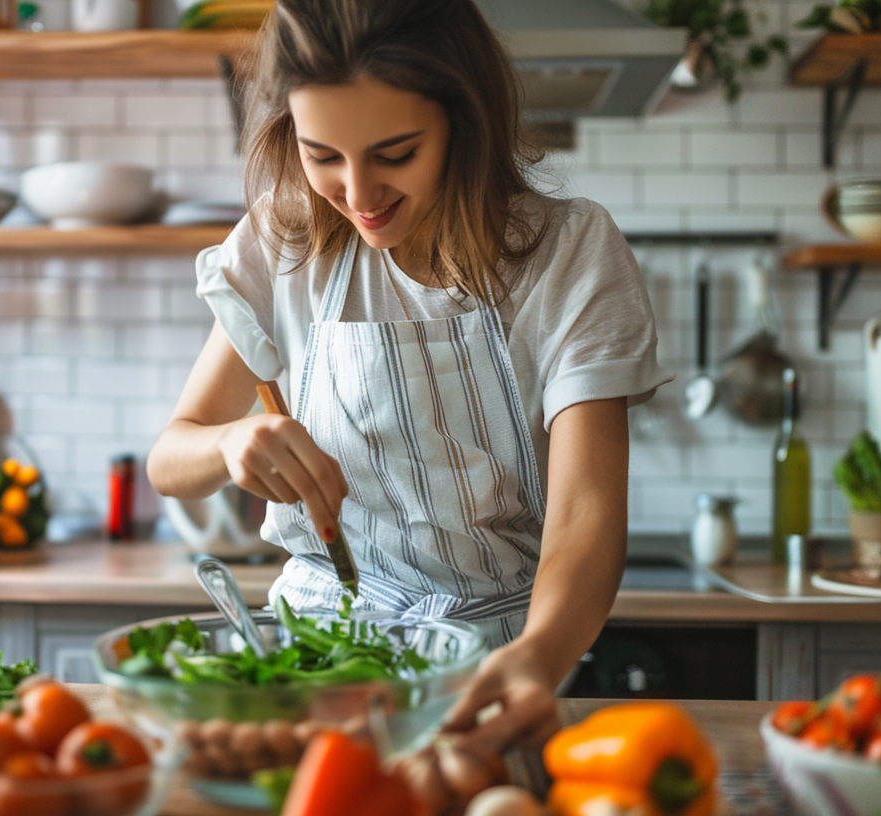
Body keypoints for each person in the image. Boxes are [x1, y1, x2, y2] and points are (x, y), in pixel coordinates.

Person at [148, 0, 672, 753]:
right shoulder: (283, 242)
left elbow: (586, 515)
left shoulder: (566, 253)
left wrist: (538, 659)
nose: (358, 194)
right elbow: (172, 458)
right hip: (309, 667)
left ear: (465, 121)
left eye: (394, 152)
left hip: (490, 670)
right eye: (322, 154)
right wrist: (232, 443)